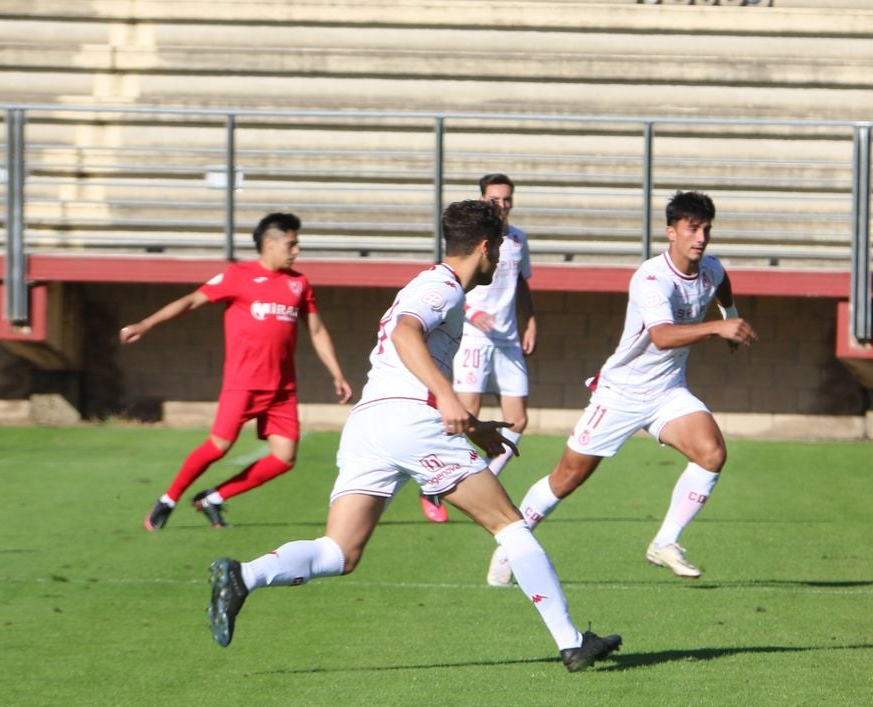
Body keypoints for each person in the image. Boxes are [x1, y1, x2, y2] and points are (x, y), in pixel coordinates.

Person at [206, 199, 621, 673]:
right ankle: (571, 643)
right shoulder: (440, 285)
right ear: (484, 247)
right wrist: (447, 398)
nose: (504, 259)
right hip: (411, 422)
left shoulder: (436, 286)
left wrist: (473, 422)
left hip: (370, 425)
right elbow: (406, 334)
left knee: (339, 552)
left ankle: (244, 575)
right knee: (510, 525)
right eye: (501, 248)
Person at [485, 190, 758, 586]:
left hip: (667, 392)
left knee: (712, 453)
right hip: (620, 394)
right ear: (671, 232)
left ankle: (664, 542)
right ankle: (510, 543)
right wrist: (719, 326)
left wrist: (730, 314)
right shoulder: (651, 277)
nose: (700, 238)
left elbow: (723, 284)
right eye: (692, 229)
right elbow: (662, 336)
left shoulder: (711, 268)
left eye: (706, 230)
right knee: (567, 478)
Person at [119, 212, 352, 530]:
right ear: (270, 243)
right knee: (218, 446)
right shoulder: (238, 276)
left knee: (283, 458)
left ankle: (213, 498)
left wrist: (336, 372)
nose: (297, 251)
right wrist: (145, 324)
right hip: (244, 383)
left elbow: (317, 330)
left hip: (282, 388)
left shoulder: (299, 283)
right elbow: (191, 301)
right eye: (292, 244)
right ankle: (168, 500)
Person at [419, 173, 536, 523]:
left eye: (506, 199)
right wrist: (473, 311)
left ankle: (483, 481)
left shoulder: (517, 240)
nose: (501, 204)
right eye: (495, 199)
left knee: (517, 420)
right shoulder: (475, 240)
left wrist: (530, 322)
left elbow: (523, 284)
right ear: (483, 199)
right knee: (465, 415)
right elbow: (453, 280)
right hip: (474, 335)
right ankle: (432, 482)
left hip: (508, 338)